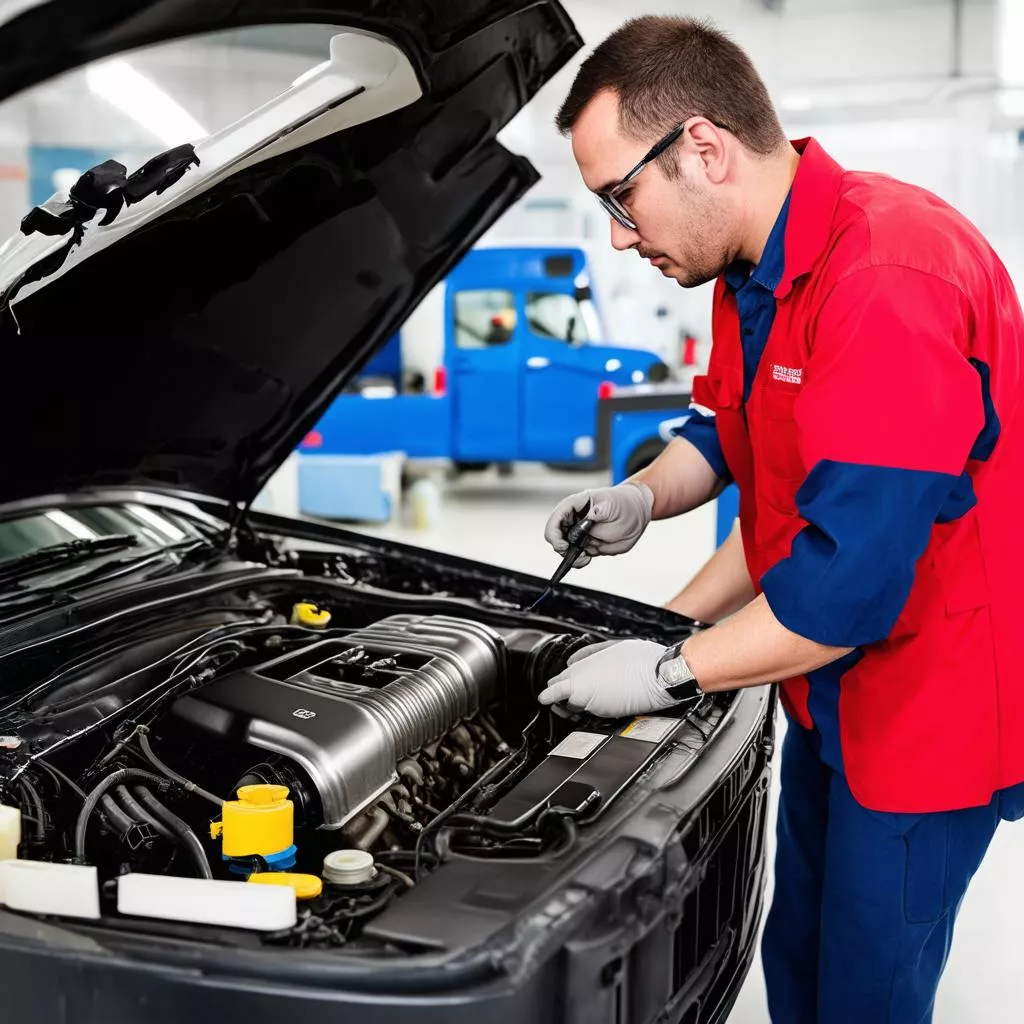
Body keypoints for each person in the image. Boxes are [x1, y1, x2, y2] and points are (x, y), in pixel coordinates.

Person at [537, 16, 1024, 1024]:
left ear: (702, 148)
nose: (620, 237)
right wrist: (641, 498)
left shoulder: (887, 279)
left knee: (863, 995)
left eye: (619, 199)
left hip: (927, 715)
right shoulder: (751, 268)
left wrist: (670, 669)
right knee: (793, 952)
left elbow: (842, 588)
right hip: (827, 691)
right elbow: (720, 434)